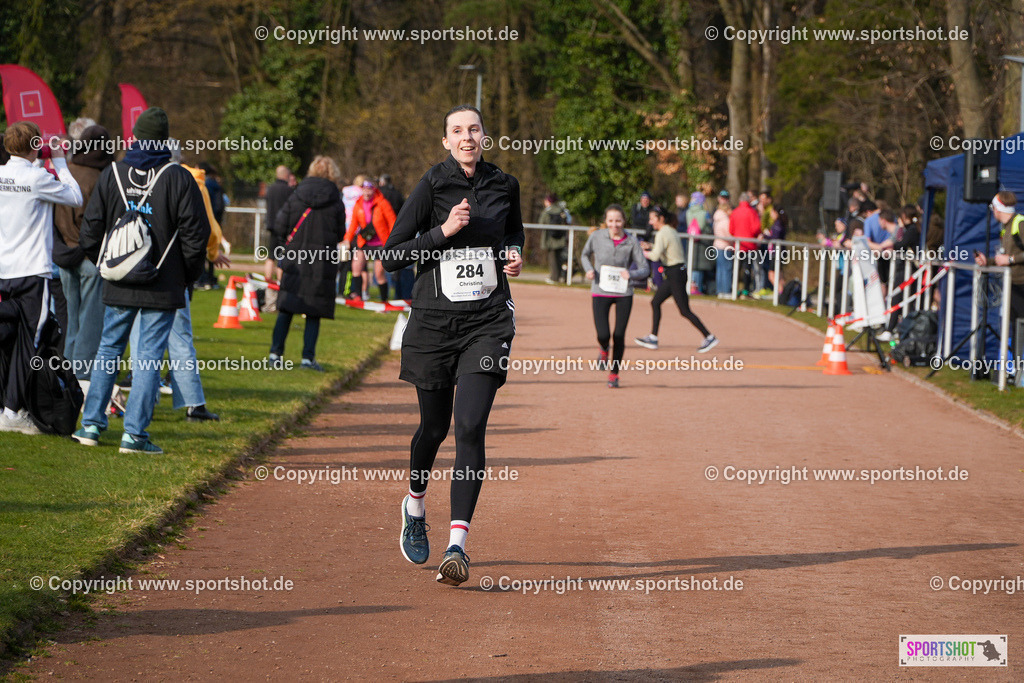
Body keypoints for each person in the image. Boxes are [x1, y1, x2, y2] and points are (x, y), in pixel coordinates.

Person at [383, 104, 524, 587]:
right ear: (446, 141)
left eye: (474, 129)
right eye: (457, 131)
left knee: (470, 426)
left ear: (486, 135)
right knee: (434, 427)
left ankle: (457, 546)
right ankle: (415, 503)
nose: (467, 137)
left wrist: (514, 254)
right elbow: (391, 256)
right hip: (434, 325)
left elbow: (514, 231)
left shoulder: (505, 184)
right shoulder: (432, 185)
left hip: (486, 322)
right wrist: (444, 232)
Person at [72, 107, 209, 453]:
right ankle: (134, 435)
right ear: (165, 139)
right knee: (147, 357)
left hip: (119, 281)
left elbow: (90, 230)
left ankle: (90, 426)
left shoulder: (113, 173)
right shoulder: (179, 178)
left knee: (108, 351)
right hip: (162, 285)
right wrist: (186, 277)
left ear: (134, 135)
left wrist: (105, 265)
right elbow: (197, 237)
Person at [0, 122, 83, 434]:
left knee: (8, 340)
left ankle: (9, 405)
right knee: (29, 345)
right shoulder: (38, 177)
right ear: (35, 144)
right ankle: (10, 413)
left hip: (4, 271)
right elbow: (75, 197)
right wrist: (59, 160)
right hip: (33, 273)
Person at [53, 125, 113, 398]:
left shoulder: (67, 172)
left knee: (71, 321)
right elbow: (101, 221)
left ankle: (64, 376)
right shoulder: (103, 177)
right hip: (91, 257)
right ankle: (83, 379)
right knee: (90, 322)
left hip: (66, 256)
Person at [269, 156, 346, 371]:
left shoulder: (297, 195)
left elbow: (280, 224)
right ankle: (307, 358)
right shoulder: (335, 199)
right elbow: (341, 233)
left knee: (286, 307)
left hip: (296, 257)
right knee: (314, 310)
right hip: (321, 261)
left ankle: (275, 353)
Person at [580, 204, 649, 388]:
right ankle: (603, 348)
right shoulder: (597, 237)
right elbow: (585, 255)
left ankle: (614, 373)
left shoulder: (631, 241)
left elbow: (644, 268)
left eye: (618, 220)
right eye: (610, 220)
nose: (614, 224)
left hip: (623, 292)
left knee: (619, 335)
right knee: (603, 334)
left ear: (623, 221)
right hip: (600, 290)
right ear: (606, 221)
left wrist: (630, 274)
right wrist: (589, 270)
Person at [634, 206, 718, 353]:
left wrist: (641, 252)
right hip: (676, 273)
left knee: (684, 311)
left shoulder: (662, 233)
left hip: (675, 274)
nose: (650, 221)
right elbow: (663, 248)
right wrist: (651, 246)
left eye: (652, 218)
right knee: (655, 302)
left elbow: (654, 256)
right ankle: (653, 337)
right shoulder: (670, 230)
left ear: (660, 218)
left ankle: (709, 336)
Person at [975, 191, 1024, 333]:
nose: (993, 212)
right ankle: (1015, 355)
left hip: (1021, 287)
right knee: (1014, 329)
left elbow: (1009, 259)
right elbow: (1004, 259)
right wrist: (987, 262)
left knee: (1020, 327)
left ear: (998, 209)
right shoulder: (1005, 227)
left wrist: (1010, 259)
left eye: (993, 208)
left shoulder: (1019, 224)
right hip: (1011, 284)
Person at [344, 179, 396, 302]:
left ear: (374, 190)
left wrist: (393, 241)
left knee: (379, 274)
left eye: (369, 189)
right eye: (364, 189)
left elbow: (393, 222)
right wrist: (347, 239)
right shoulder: (358, 204)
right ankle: (358, 296)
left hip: (381, 243)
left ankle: (384, 301)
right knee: (356, 267)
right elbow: (353, 225)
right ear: (361, 190)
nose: (366, 192)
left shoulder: (382, 203)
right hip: (365, 241)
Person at [379, 173, 413, 298]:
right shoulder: (397, 193)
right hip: (399, 229)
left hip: (385, 232)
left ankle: (392, 294)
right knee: (400, 263)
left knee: (389, 263)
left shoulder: (380, 195)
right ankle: (400, 295)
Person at [264, 165, 294, 282]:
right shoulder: (288, 190)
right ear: (286, 176)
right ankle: (280, 280)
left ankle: (268, 278)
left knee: (271, 254)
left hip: (271, 225)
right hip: (284, 227)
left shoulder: (270, 189)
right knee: (282, 254)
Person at [729, 192, 761, 296]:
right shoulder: (752, 212)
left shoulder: (735, 212)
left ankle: (735, 288)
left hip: (738, 245)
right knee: (747, 268)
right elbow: (756, 228)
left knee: (737, 268)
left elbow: (731, 230)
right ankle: (746, 290)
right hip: (749, 245)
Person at [686, 191, 714, 294]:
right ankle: (696, 289)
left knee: (693, 267)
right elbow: (705, 227)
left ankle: (691, 287)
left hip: (692, 242)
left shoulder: (688, 212)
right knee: (698, 268)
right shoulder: (704, 213)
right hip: (702, 244)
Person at [539, 193, 570, 284]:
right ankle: (561, 276)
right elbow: (569, 220)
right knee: (559, 258)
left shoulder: (547, 211)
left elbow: (541, 223)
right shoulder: (562, 210)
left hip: (550, 239)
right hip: (561, 238)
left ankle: (554, 278)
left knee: (553, 259)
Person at [713, 190, 733, 298]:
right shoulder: (724, 220)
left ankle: (720, 290)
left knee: (721, 269)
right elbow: (728, 234)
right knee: (726, 269)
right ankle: (724, 291)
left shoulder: (717, 217)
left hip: (718, 245)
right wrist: (734, 241)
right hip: (725, 246)